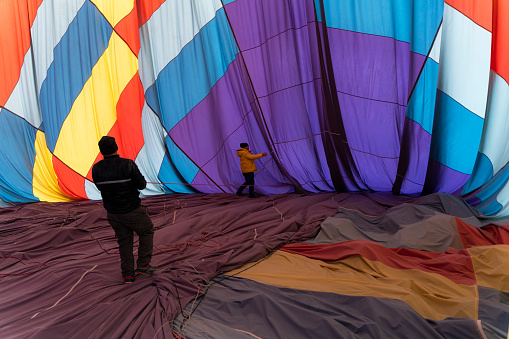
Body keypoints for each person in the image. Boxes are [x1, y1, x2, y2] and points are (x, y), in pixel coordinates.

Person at [92, 136, 156, 284]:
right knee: (147, 231)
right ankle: (143, 265)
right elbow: (141, 185)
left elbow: (100, 187)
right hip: (132, 209)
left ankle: (128, 274)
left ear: (101, 151)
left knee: (124, 241)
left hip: (113, 213)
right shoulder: (128, 164)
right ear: (116, 148)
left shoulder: (96, 169)